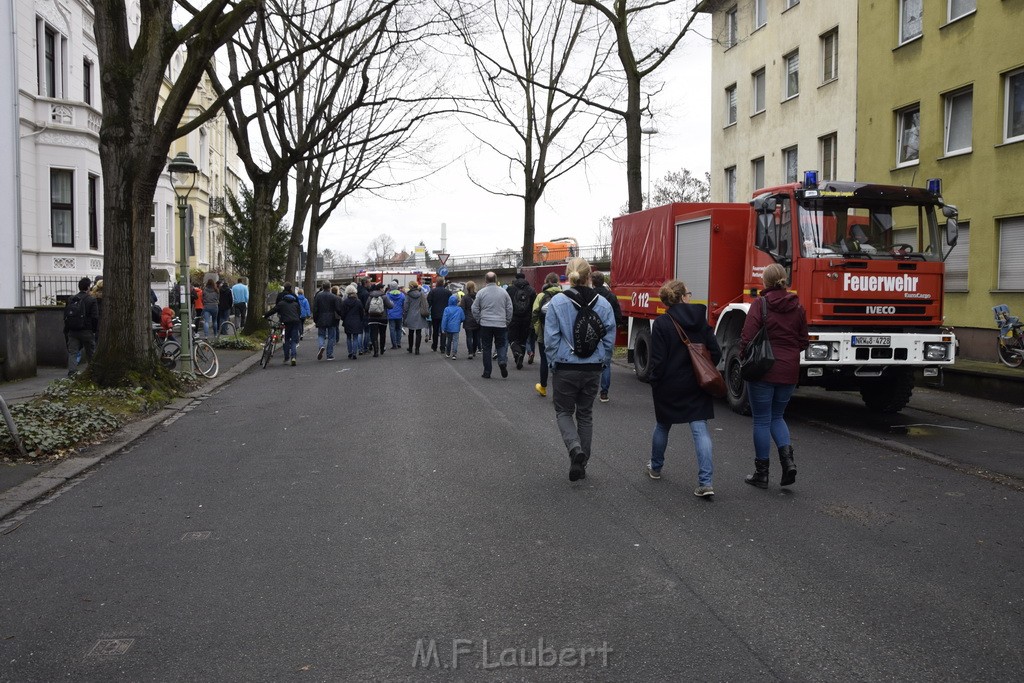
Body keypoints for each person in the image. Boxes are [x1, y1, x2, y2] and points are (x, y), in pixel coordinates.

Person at [646, 279, 721, 498]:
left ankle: (656, 467)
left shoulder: (661, 323)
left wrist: (654, 380)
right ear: (682, 297)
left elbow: (657, 361)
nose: (690, 296)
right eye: (688, 293)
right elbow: (715, 352)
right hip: (697, 384)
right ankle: (706, 482)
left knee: (662, 425)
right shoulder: (701, 319)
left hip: (669, 385)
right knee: (700, 430)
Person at [543, 257, 616, 481]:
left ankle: (575, 449)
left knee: (564, 411)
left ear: (569, 275)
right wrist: (602, 361)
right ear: (588, 275)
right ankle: (582, 462)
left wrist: (553, 362)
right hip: (593, 367)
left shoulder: (557, 302)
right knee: (585, 414)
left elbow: (551, 339)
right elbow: (609, 337)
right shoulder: (603, 304)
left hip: (565, 366)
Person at [739, 262, 808, 488]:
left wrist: (745, 359)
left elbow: (747, 337)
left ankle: (762, 474)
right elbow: (803, 340)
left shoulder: (761, 304)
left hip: (763, 369)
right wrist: (788, 355)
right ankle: (788, 464)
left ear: (765, 282)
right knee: (778, 416)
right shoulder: (798, 307)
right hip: (789, 371)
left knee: (761, 419)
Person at [471, 271, 513, 378]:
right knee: (501, 345)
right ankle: (502, 361)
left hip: (486, 323)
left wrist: (479, 319)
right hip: (500, 323)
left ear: (485, 280)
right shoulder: (504, 292)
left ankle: (487, 372)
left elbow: (474, 308)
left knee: (487, 347)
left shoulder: (481, 292)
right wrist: (507, 320)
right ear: (496, 279)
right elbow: (509, 308)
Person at [591, 271, 623, 403]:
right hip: (608, 331)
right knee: (606, 363)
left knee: (591, 361)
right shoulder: (611, 296)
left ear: (592, 282)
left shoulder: (590, 296)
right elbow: (618, 316)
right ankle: (604, 393)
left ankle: (589, 391)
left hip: (592, 330)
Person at [531, 272, 562, 397]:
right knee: (560, 360)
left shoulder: (541, 296)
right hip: (561, 333)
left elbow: (534, 314)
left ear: (546, 282)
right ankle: (558, 390)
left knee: (544, 360)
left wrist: (537, 329)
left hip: (544, 332)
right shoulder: (564, 296)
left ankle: (543, 387)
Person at [64, 276, 100, 376]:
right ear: (88, 287)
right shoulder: (91, 300)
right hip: (87, 330)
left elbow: (66, 315)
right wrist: (93, 330)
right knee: (90, 353)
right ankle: (92, 372)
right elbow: (95, 317)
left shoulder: (71, 299)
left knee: (73, 352)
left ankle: (72, 372)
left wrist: (67, 329)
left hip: (73, 330)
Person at [265, 282, 302, 365]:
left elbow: (274, 309)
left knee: (286, 339)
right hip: (295, 322)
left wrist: (265, 315)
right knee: (293, 341)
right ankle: (293, 357)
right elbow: (299, 311)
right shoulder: (295, 301)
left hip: (285, 321)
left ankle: (286, 357)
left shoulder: (281, 300)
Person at [506, 272, 536, 370]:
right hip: (527, 318)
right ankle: (520, 360)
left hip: (514, 318)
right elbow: (533, 307)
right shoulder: (531, 290)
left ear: (515, 278)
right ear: (525, 278)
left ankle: (516, 353)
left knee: (512, 338)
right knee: (523, 339)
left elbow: (507, 305)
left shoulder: (510, 289)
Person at [313, 281, 342, 361]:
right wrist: (341, 316)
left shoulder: (318, 296)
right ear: (330, 287)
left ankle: (321, 346)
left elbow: (315, 309)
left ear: (322, 287)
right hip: (331, 318)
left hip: (321, 317)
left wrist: (315, 319)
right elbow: (338, 309)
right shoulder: (333, 297)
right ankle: (329, 355)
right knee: (331, 337)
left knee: (321, 335)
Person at [364, 283, 393, 357]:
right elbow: (390, 306)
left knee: (374, 334)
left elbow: (366, 307)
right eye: (382, 288)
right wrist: (392, 303)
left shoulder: (370, 296)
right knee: (382, 334)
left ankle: (376, 351)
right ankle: (382, 349)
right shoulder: (384, 296)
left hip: (372, 318)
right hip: (383, 318)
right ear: (380, 288)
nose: (383, 289)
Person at [402, 280, 429, 354]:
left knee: (410, 332)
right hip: (419, 315)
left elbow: (406, 306)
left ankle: (410, 348)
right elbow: (425, 304)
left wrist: (405, 316)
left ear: (411, 286)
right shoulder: (421, 294)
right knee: (418, 333)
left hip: (410, 315)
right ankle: (417, 349)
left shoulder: (408, 295)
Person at [339, 284, 365, 360]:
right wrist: (360, 319)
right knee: (356, 337)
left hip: (347, 321)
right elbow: (361, 312)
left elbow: (342, 313)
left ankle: (350, 352)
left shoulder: (344, 302)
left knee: (349, 337)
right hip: (356, 321)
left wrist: (344, 319)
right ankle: (354, 353)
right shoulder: (358, 302)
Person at [427, 276, 451, 352]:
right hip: (445, 314)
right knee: (443, 331)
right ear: (443, 283)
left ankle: (434, 346)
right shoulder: (448, 292)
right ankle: (442, 347)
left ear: (437, 283)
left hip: (435, 314)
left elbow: (429, 301)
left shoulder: (432, 291)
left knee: (435, 331)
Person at [460, 280, 480, 360]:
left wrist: (463, 318)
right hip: (477, 319)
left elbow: (462, 308)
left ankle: (470, 352)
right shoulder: (478, 296)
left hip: (468, 319)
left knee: (469, 337)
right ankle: (474, 351)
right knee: (476, 337)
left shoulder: (465, 298)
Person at [440, 294, 465, 359]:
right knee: (455, 340)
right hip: (456, 327)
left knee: (449, 340)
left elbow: (444, 319)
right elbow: (463, 318)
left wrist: (443, 328)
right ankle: (454, 354)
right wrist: (459, 321)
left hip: (448, 327)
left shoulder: (447, 309)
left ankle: (448, 352)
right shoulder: (459, 309)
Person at [386, 280, 405, 349]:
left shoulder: (387, 295)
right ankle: (398, 342)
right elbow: (404, 304)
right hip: (399, 314)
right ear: (397, 287)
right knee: (399, 329)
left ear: (390, 287)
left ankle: (394, 344)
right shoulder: (402, 295)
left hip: (390, 314)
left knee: (392, 329)